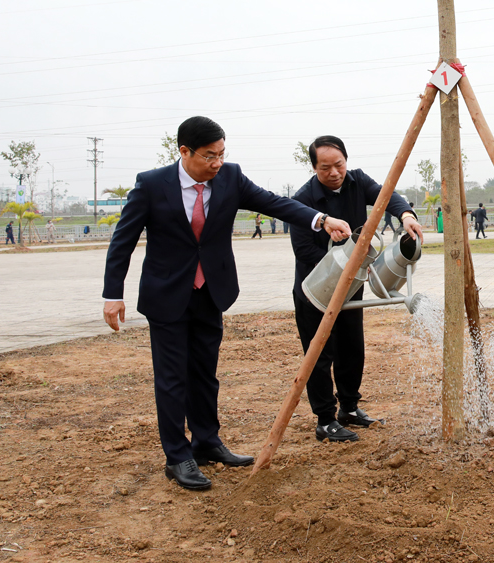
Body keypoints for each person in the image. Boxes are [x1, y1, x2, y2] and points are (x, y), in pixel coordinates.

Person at [102, 116, 342, 491]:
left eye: (221, 154)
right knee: (171, 379)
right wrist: (113, 294)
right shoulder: (151, 184)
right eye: (209, 156)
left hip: (210, 291)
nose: (216, 162)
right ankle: (177, 457)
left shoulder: (230, 177)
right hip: (166, 295)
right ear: (184, 152)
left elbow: (274, 203)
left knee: (204, 373)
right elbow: (123, 239)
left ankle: (207, 442)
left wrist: (320, 219)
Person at [290, 135, 422, 443]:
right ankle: (325, 419)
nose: (334, 172)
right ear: (314, 168)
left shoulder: (357, 181)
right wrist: (343, 262)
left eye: (339, 164)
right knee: (320, 353)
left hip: (352, 287)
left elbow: (387, 195)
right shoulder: (303, 200)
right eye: (325, 168)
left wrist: (405, 214)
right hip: (317, 289)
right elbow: (303, 251)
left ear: (346, 161)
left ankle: (349, 407)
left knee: (352, 347)